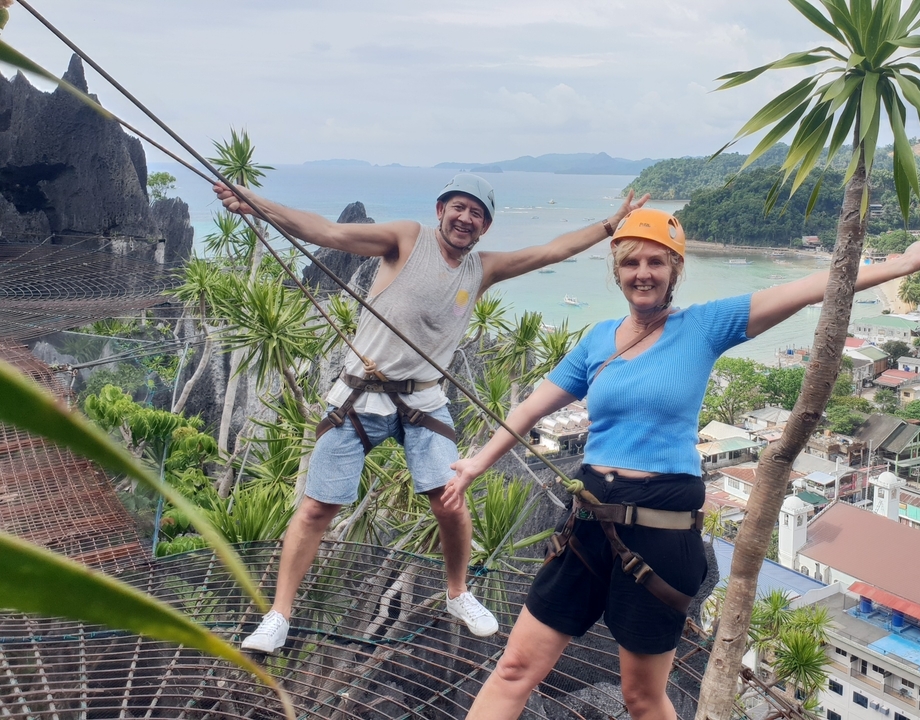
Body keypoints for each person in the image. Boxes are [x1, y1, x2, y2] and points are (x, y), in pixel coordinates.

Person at [445, 208, 920, 719]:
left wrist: (907, 263)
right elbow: (530, 407)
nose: (643, 273)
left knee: (642, 697)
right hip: (586, 522)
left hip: (660, 529)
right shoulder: (597, 340)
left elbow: (810, 286)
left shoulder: (704, 326)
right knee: (516, 666)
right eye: (631, 263)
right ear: (617, 272)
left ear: (676, 270)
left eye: (656, 262)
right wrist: (475, 464)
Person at [212, 173, 650, 653]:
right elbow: (329, 233)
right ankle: (279, 614)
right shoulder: (405, 239)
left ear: (484, 228)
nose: (466, 218)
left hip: (423, 399)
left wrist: (610, 225)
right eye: (459, 207)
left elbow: (550, 251)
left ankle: (458, 593)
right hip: (360, 394)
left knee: (450, 499)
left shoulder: (481, 269)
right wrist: (257, 205)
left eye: (477, 214)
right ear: (440, 209)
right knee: (318, 506)